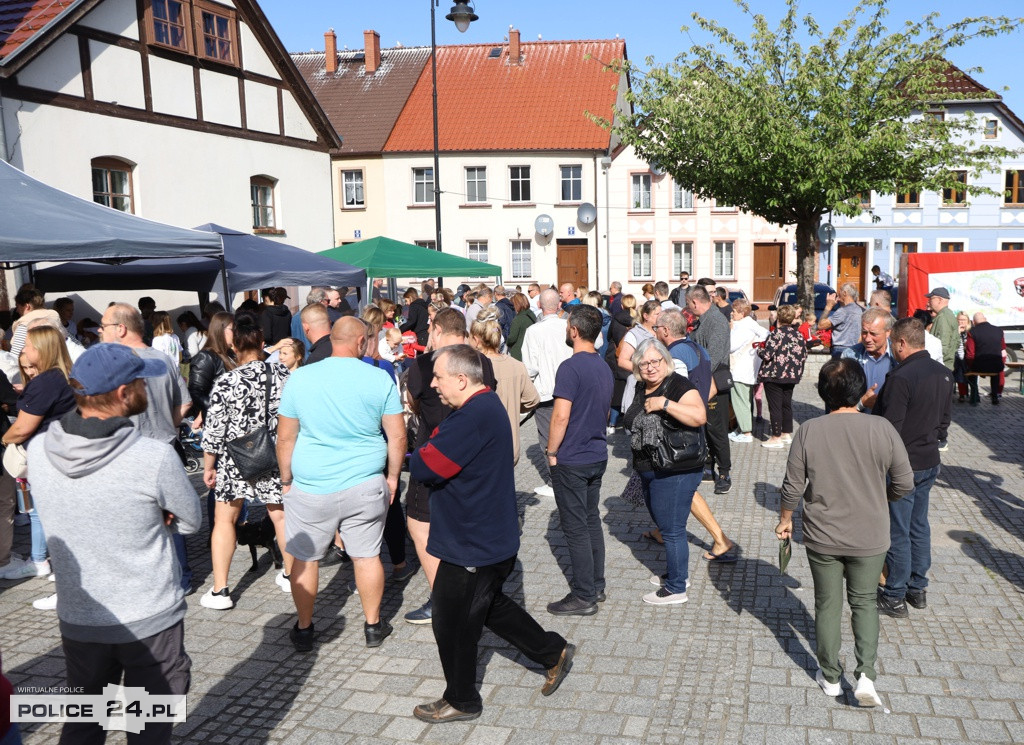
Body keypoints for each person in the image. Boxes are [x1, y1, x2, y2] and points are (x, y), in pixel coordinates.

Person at [27, 343, 201, 745]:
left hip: (79, 616)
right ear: (123, 393)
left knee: (84, 723)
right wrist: (158, 518)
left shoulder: (38, 450)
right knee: (147, 727)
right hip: (149, 618)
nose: (146, 387)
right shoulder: (153, 457)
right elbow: (191, 521)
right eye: (140, 380)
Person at [409, 345, 574, 723]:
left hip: (473, 542)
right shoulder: (480, 407)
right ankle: (553, 652)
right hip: (483, 535)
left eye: (438, 377)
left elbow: (427, 465)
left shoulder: (472, 417)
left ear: (462, 379)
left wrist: (420, 451)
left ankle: (462, 699)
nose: (433, 385)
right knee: (489, 607)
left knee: (450, 622)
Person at [776, 358, 913, 707]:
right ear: (859, 388)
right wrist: (883, 499)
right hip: (870, 534)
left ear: (823, 392)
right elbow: (904, 482)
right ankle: (865, 675)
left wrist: (785, 518)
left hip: (822, 535)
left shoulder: (809, 430)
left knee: (827, 604)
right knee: (864, 602)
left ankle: (832, 677)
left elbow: (792, 486)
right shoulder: (882, 428)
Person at [276, 317, 406, 651]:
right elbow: (397, 435)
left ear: (333, 339)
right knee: (366, 556)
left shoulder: (300, 377)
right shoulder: (379, 378)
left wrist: (286, 480)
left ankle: (305, 628)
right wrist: (392, 478)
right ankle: (373, 626)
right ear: (361, 341)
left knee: (305, 558)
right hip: (365, 482)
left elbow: (285, 438)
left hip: (311, 483)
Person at [402, 310, 497, 624]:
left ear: (438, 329)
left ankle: (441, 600)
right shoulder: (481, 362)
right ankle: (468, 591)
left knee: (420, 526)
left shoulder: (423, 364)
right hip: (474, 453)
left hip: (435, 453)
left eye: (430, 328)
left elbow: (412, 407)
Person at [199, 313, 291, 610]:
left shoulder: (227, 380)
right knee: (281, 516)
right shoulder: (284, 375)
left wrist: (209, 465)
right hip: (277, 455)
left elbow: (214, 428)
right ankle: (292, 576)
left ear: (235, 347)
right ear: (263, 343)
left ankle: (220, 590)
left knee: (225, 519)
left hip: (234, 458)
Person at [873, 318, 952, 619]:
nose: (892, 348)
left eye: (893, 343)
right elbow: (945, 422)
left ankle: (894, 595)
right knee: (919, 525)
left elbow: (889, 428)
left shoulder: (901, 377)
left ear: (902, 343)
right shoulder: (944, 374)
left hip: (903, 464)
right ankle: (917, 588)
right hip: (929, 460)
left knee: (899, 529)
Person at [623, 338, 707, 604]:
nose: (650, 368)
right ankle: (677, 573)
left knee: (672, 530)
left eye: (655, 361)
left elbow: (699, 416)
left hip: (676, 469)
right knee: (665, 524)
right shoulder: (641, 386)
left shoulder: (679, 385)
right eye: (644, 363)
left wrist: (666, 404)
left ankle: (676, 589)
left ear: (665, 361)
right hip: (651, 468)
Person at [545, 305, 614, 616]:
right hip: (597, 454)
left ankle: (584, 595)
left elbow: (560, 416)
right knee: (590, 520)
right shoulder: (602, 365)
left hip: (572, 457)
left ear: (574, 331)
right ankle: (596, 585)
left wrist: (551, 452)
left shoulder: (570, 368)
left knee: (575, 527)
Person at [0, 327, 76, 582]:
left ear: (42, 350)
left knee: (43, 512)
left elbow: (22, 428)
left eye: (28, 345)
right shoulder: (62, 376)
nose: (22, 348)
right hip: (61, 452)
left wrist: (4, 438)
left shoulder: (46, 382)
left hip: (47, 456)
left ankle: (47, 563)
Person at [469, 308, 539, 464]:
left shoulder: (474, 367)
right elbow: (533, 399)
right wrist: (513, 404)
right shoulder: (517, 365)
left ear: (476, 339)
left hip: (483, 449)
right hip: (510, 446)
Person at [522, 289, 574, 498]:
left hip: (546, 392)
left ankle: (556, 482)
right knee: (568, 433)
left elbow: (530, 367)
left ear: (541, 307)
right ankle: (569, 477)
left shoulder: (534, 331)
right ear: (559, 305)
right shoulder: (568, 327)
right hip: (570, 388)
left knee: (547, 436)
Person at [686, 285, 733, 493]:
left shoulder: (716, 321)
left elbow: (712, 357)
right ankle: (707, 465)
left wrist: (699, 378)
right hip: (703, 379)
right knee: (703, 427)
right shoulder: (704, 320)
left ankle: (724, 472)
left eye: (688, 304)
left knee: (716, 429)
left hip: (713, 380)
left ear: (695, 302)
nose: (687, 308)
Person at [758, 305, 807, 449]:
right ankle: (786, 433)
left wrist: (759, 350)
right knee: (786, 404)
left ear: (779, 317)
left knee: (775, 407)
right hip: (791, 375)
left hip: (774, 375)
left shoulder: (776, 334)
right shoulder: (799, 335)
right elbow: (804, 355)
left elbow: (767, 355)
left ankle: (776, 437)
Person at [840, 308, 897, 411]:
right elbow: (842, 398)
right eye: (864, 332)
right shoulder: (850, 356)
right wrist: (862, 403)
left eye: (873, 334)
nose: (867, 339)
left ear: (888, 332)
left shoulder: (899, 357)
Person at [728, 298, 768, 442]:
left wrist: (731, 330)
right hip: (749, 369)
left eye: (734, 311)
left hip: (740, 369)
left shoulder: (742, 326)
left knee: (740, 401)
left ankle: (746, 433)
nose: (732, 314)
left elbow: (731, 346)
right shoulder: (752, 324)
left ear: (741, 312)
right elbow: (765, 334)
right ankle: (742, 428)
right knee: (746, 400)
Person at [965, 311, 1005, 405]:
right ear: (986, 319)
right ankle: (995, 396)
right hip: (996, 365)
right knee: (996, 372)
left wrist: (970, 366)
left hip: (979, 366)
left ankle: (975, 396)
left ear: (973, 322)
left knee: (968, 369)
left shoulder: (972, 332)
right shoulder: (999, 330)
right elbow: (1002, 347)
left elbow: (970, 354)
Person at [817, 283, 865, 359]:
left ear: (845, 293)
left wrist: (828, 306)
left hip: (840, 350)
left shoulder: (843, 311)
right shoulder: (862, 310)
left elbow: (821, 325)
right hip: (857, 349)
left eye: (839, 294)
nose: (837, 297)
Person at [925, 287, 958, 371]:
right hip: (943, 366)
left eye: (931, 298)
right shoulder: (946, 314)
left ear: (939, 300)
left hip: (940, 367)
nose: (929, 301)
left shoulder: (943, 317)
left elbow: (943, 345)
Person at [506, 292, 536, 361]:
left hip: (519, 353)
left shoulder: (518, 319)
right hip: (530, 351)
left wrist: (507, 341)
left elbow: (512, 338)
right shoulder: (531, 314)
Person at [953, 312, 970, 403]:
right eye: (959, 320)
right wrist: (957, 333)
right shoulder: (954, 331)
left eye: (963, 320)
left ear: (968, 321)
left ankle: (965, 393)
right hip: (957, 358)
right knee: (959, 368)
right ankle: (962, 394)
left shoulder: (970, 331)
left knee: (961, 368)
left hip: (969, 359)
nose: (961, 322)